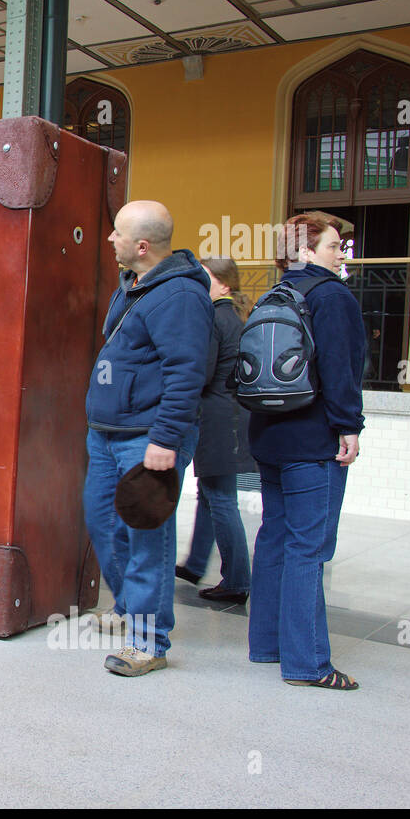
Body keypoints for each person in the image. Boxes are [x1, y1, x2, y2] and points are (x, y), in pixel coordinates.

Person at [83, 200, 213, 677]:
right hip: (107, 432)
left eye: (116, 233)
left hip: (148, 437)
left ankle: (148, 640)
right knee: (103, 523)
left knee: (147, 538)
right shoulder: (134, 285)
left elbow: (185, 374)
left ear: (141, 245)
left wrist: (165, 438)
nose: (109, 240)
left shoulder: (179, 296)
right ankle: (127, 608)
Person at [247, 214, 366, 690]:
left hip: (269, 437)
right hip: (313, 442)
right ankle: (308, 664)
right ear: (308, 252)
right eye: (335, 246)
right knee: (308, 548)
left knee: (275, 538)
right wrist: (348, 427)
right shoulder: (332, 296)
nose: (343, 254)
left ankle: (267, 645)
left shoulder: (272, 295)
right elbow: (342, 368)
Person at [177, 257, 257, 603]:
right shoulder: (238, 316)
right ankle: (195, 564)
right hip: (236, 415)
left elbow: (203, 372)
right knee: (211, 493)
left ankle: (238, 580)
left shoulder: (214, 316)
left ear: (224, 284)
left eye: (205, 278)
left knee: (221, 499)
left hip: (217, 417)